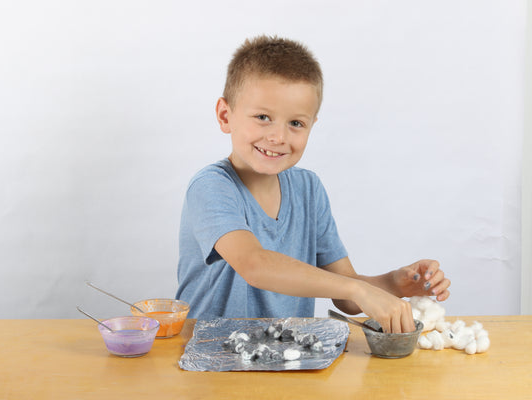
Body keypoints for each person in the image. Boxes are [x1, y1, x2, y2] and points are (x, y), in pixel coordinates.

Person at [175, 35, 450, 333]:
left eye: (295, 123)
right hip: (211, 361)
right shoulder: (211, 187)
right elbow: (255, 264)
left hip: (287, 360)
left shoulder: (308, 189)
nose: (278, 137)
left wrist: (393, 282)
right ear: (225, 115)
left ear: (311, 125)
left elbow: (346, 298)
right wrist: (358, 290)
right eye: (263, 117)